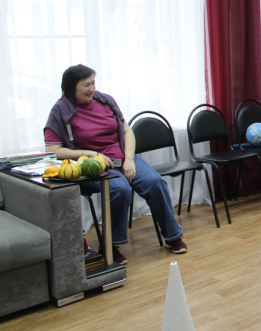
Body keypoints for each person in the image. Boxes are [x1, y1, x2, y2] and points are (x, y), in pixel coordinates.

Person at [44, 64, 188, 265]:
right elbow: (53, 149)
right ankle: (111, 245)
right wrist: (93, 154)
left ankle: (172, 236)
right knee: (120, 189)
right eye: (86, 85)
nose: (92, 89)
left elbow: (127, 131)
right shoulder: (61, 110)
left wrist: (129, 160)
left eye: (93, 83)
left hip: (123, 158)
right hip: (92, 165)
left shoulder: (105, 101)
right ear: (71, 88)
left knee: (154, 181)